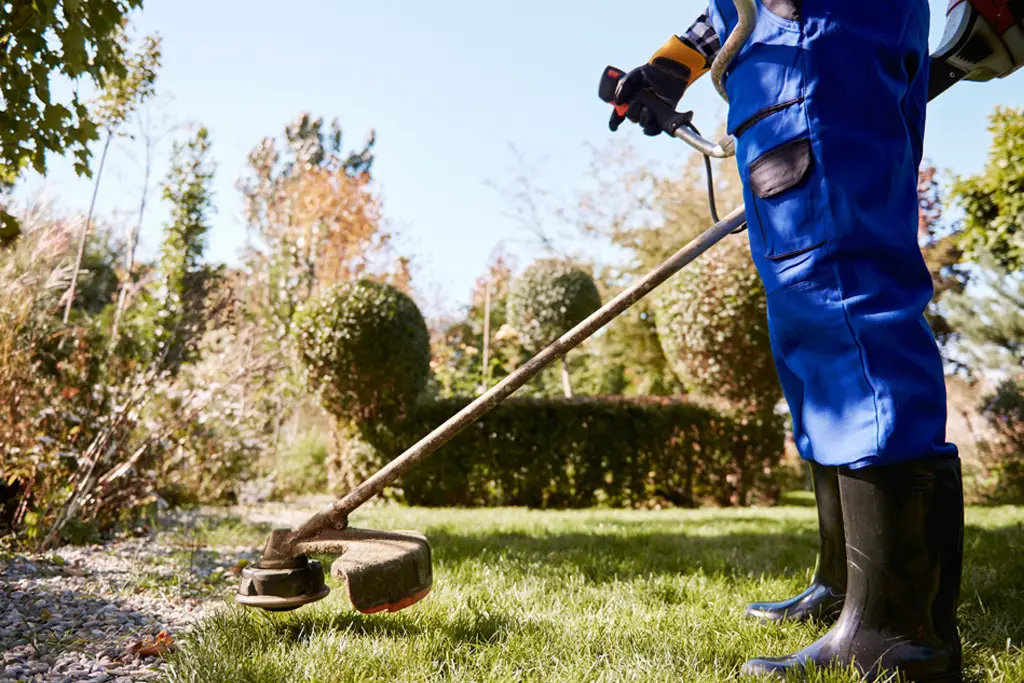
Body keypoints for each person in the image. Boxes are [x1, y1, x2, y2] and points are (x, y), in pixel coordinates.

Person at [608, 3, 965, 681]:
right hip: (786, 54)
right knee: (808, 324)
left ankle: (897, 628)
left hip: (818, 38)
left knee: (842, 296)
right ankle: (846, 585)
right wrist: (673, 64)